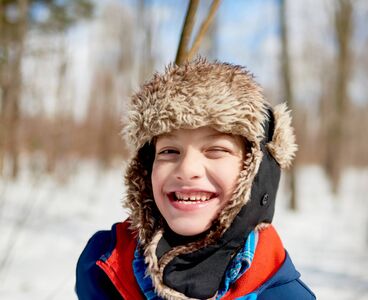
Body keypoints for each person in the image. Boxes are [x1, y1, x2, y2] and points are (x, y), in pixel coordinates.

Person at [76, 58, 316, 300]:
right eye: (169, 151)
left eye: (216, 150)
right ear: (145, 170)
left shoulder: (285, 295)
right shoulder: (102, 266)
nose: (187, 169)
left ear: (256, 170)